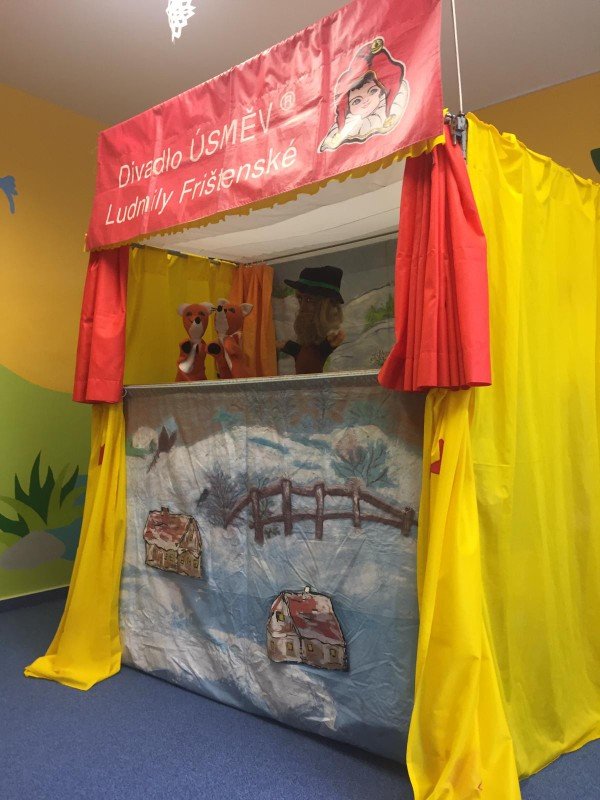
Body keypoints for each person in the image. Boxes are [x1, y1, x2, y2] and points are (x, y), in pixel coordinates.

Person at [319, 37, 409, 152]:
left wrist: (392, 115)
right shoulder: (347, 123)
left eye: (373, 91)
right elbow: (332, 138)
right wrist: (334, 138)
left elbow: (397, 100)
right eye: (356, 101)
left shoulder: (391, 103)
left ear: (382, 90)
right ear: (347, 107)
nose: (366, 101)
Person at [276, 266, 345, 374]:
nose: (302, 307)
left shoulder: (334, 338)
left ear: (326, 305)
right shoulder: (310, 340)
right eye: (300, 298)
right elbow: (305, 353)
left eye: (309, 300)